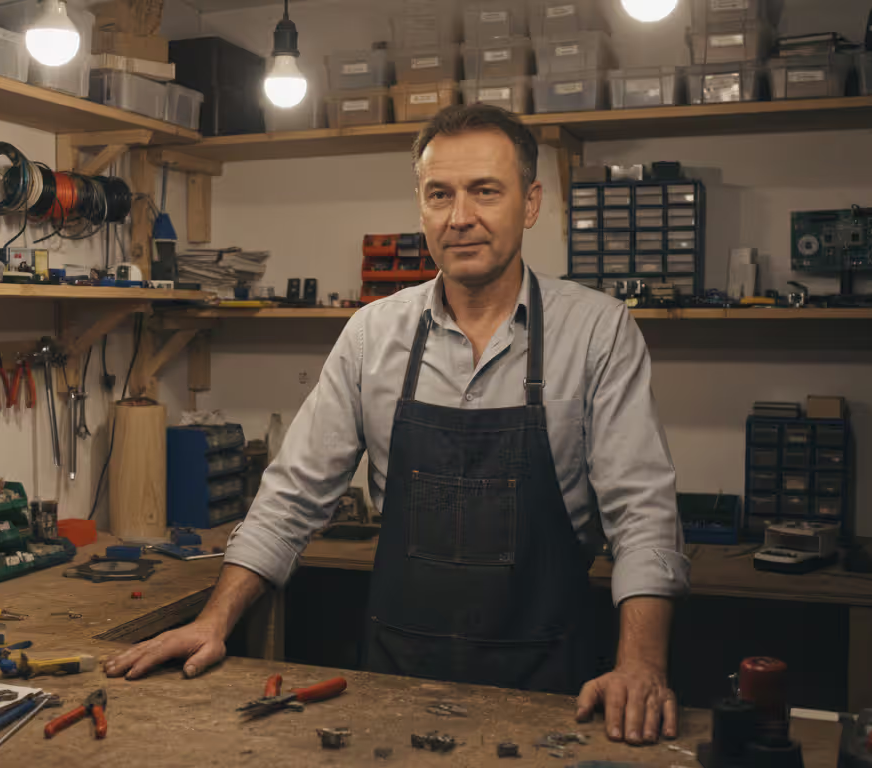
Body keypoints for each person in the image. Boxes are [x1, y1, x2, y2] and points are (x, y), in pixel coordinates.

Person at [105, 104, 690, 745]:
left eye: (485, 192)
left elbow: (642, 514)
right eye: (440, 193)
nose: (460, 216)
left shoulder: (599, 331)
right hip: (398, 684)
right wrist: (213, 620)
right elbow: (290, 499)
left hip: (550, 685)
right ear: (421, 206)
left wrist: (641, 665)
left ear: (530, 203)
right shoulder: (373, 334)